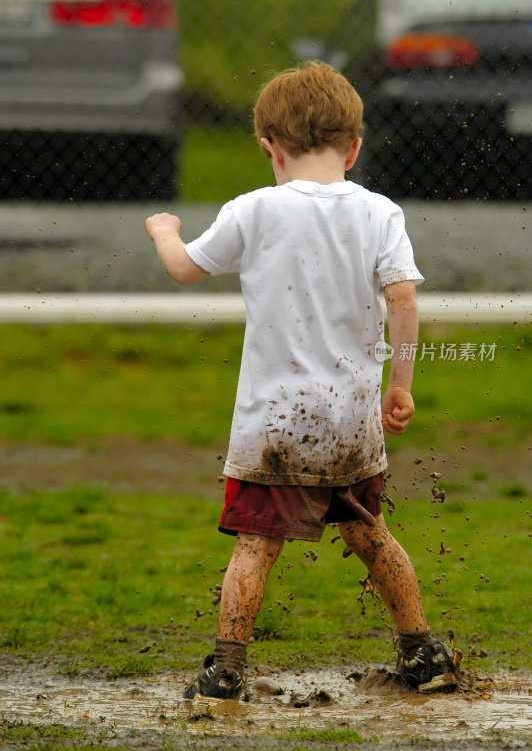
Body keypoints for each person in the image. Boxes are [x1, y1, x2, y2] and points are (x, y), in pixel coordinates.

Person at [145, 61, 456, 700]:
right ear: (355, 146)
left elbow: (183, 270)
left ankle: (227, 668)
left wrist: (164, 230)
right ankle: (424, 653)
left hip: (274, 427)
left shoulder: (253, 211)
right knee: (370, 532)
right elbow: (402, 299)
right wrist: (400, 384)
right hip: (351, 422)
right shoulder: (380, 212)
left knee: (256, 547)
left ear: (269, 149)